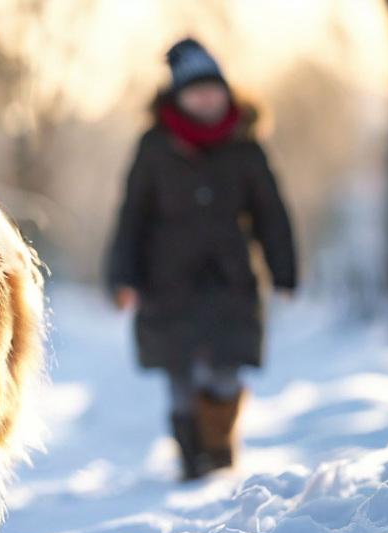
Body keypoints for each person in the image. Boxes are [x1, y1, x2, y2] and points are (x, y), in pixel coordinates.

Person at [106, 38, 296, 481]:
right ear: (177, 96)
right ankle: (192, 459)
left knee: (227, 368)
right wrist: (122, 276)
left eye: (214, 88)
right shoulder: (154, 147)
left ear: (228, 91)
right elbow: (132, 213)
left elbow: (271, 212)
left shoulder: (246, 147)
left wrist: (283, 268)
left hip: (230, 277)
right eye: (196, 90)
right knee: (181, 373)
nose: (206, 97)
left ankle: (218, 447)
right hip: (166, 279)